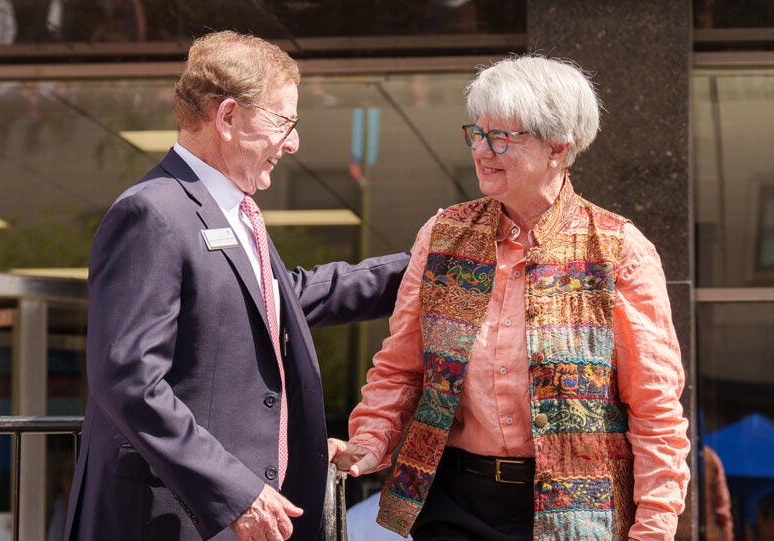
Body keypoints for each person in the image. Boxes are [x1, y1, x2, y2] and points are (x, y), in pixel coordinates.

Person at [64, 30, 410, 541]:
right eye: (282, 121)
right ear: (227, 118)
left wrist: (428, 263)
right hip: (170, 519)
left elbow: (285, 298)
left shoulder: (230, 211)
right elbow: (130, 381)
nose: (292, 143)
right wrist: (233, 490)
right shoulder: (153, 212)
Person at [329, 54, 691, 540]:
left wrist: (655, 525)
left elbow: (654, 407)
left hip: (577, 512)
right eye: (476, 133)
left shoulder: (616, 249)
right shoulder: (443, 235)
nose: (482, 149)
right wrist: (371, 440)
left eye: (502, 137)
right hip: (453, 500)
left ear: (558, 149)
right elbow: (401, 367)